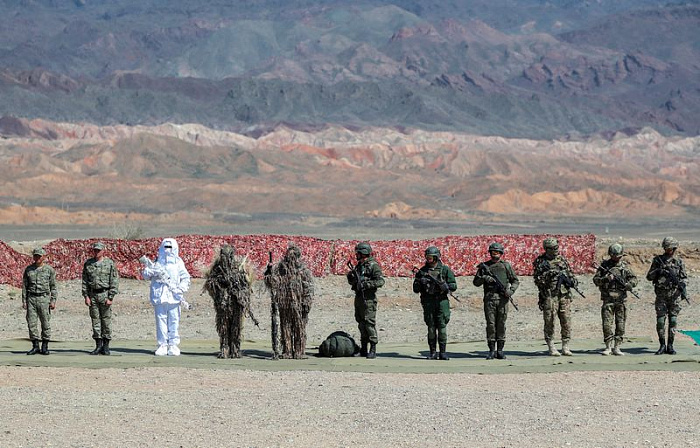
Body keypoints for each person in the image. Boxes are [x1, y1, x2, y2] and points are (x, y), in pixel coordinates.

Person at [203, 244, 256, 359]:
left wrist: (239, 287)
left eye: (227, 255)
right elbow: (210, 284)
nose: (225, 258)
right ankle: (224, 349)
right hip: (222, 304)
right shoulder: (217, 269)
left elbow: (246, 284)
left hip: (236, 303)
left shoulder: (239, 268)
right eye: (223, 255)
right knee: (224, 327)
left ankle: (235, 350)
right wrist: (219, 284)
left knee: (236, 327)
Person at [264, 243, 315, 359]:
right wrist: (269, 271)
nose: (290, 259)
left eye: (293, 256)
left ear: (297, 257)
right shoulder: (280, 269)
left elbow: (308, 287)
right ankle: (287, 351)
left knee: (299, 328)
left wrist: (306, 303)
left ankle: (299, 351)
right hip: (284, 305)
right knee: (285, 328)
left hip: (299, 305)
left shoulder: (303, 271)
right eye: (288, 256)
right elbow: (272, 283)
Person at [142, 238, 191, 356]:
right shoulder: (157, 262)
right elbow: (145, 275)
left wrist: (180, 289)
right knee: (161, 321)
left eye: (170, 247)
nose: (167, 250)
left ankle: (173, 345)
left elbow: (185, 278)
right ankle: (162, 345)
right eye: (166, 247)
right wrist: (151, 272)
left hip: (174, 297)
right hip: (159, 296)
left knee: (174, 321)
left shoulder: (179, 263)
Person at [533, 237, 579, 356]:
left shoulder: (562, 260)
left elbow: (570, 274)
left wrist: (572, 281)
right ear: (547, 249)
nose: (556, 250)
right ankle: (551, 346)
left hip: (564, 295)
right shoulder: (540, 261)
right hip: (549, 296)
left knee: (566, 320)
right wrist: (548, 275)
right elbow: (537, 280)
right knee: (549, 321)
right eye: (553, 248)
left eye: (557, 248)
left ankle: (565, 345)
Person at [473, 242, 519, 360]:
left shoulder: (506, 266)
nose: (495, 255)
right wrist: (484, 278)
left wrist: (511, 291)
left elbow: (515, 281)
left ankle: (500, 350)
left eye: (497, 252)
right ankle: (491, 350)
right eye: (493, 252)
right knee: (491, 325)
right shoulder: (484, 267)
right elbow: (476, 283)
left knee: (501, 324)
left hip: (503, 299)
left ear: (501, 253)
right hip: (490, 299)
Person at [593, 243, 638, 356]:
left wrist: (629, 284)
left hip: (621, 300)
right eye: (614, 256)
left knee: (620, 324)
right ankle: (608, 347)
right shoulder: (604, 266)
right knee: (607, 324)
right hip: (608, 300)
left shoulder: (625, 266)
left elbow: (634, 279)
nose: (616, 258)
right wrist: (606, 279)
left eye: (618, 256)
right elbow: (596, 280)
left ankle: (617, 347)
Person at [413, 246, 457, 360]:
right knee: (431, 327)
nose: (428, 259)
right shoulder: (422, 271)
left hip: (441, 301)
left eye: (431, 257)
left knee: (442, 326)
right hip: (428, 302)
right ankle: (432, 352)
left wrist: (444, 286)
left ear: (436, 257)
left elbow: (453, 285)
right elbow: (415, 289)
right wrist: (421, 282)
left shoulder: (445, 270)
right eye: (427, 257)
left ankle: (442, 352)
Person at [646, 237, 687, 355]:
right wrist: (659, 271)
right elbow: (649, 277)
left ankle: (670, 345)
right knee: (660, 321)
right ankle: (662, 345)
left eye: (670, 248)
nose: (668, 250)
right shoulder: (658, 260)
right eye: (667, 247)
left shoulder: (678, 262)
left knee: (673, 320)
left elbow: (684, 278)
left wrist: (682, 285)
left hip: (674, 296)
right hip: (661, 295)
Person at [346, 242, 385, 359]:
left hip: (368, 299)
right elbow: (353, 281)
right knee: (361, 323)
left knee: (369, 324)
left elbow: (380, 281)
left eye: (357, 253)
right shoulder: (359, 266)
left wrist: (366, 284)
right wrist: (351, 278)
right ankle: (363, 349)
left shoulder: (373, 266)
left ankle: (373, 348)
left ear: (363, 253)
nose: (356, 255)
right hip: (359, 298)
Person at [82, 241, 119, 355]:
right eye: (95, 250)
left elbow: (114, 281)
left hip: (105, 294)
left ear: (103, 251)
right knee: (95, 321)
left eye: (98, 250)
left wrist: (111, 297)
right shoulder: (88, 264)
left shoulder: (109, 263)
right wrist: (86, 296)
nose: (96, 252)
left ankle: (106, 346)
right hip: (93, 295)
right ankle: (98, 345)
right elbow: (85, 281)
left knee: (106, 321)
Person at [22, 247, 57, 355]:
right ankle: (35, 346)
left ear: (44, 257)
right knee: (31, 323)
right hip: (31, 298)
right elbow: (24, 286)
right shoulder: (29, 270)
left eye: (39, 256)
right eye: (35, 256)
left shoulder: (49, 270)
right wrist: (24, 300)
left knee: (45, 323)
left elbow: (53, 287)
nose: (37, 258)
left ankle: (45, 346)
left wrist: (53, 300)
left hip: (44, 298)